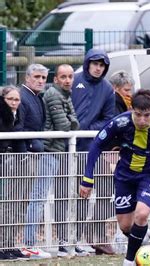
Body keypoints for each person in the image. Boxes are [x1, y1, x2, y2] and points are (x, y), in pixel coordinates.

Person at [79, 89, 150, 266]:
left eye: (146, 115)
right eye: (138, 115)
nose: (142, 120)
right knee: (126, 226)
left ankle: (128, 262)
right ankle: (143, 240)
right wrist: (87, 178)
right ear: (131, 109)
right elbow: (97, 144)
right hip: (124, 177)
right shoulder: (120, 122)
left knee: (142, 214)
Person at [72, 48, 115, 253]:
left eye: (102, 65)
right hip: (68, 149)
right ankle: (70, 240)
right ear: (87, 63)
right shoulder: (73, 80)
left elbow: (108, 119)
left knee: (109, 190)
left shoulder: (107, 89)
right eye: (95, 64)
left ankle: (93, 233)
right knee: (72, 195)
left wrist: (86, 130)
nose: (98, 68)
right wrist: (72, 129)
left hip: (93, 148)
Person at [41, 64, 81, 257]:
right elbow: (66, 125)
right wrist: (71, 122)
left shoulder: (66, 94)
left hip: (61, 150)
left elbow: (75, 120)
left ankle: (66, 241)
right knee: (40, 198)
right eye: (63, 77)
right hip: (50, 150)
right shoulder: (54, 95)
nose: (67, 80)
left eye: (70, 76)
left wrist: (71, 121)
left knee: (65, 195)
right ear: (55, 79)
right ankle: (35, 243)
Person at [19, 64, 53, 259]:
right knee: (25, 202)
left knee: (34, 201)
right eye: (37, 77)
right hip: (26, 158)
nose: (41, 80)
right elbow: (19, 128)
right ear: (27, 78)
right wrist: (29, 150)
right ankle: (27, 244)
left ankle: (27, 244)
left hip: (36, 154)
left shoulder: (37, 98)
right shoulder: (24, 97)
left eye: (43, 77)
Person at [0, 86, 27, 260]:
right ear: (3, 99)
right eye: (10, 99)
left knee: (13, 203)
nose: (14, 103)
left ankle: (8, 243)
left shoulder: (17, 114)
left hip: (9, 160)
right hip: (4, 159)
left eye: (17, 99)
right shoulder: (4, 115)